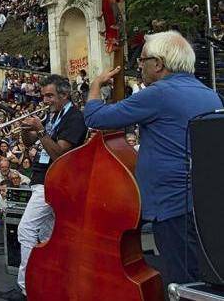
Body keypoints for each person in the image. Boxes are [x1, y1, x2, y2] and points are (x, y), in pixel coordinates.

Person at [84, 30, 224, 285]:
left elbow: (96, 118)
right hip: (206, 204)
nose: (140, 65)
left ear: (158, 64)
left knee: (184, 283)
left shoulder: (158, 94)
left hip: (172, 206)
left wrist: (95, 86)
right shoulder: (209, 93)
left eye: (143, 60)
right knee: (208, 281)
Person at [0, 74, 88, 301]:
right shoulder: (52, 114)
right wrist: (27, 129)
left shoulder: (74, 118)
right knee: (48, 235)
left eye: (50, 96)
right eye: (43, 95)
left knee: (25, 230)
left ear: (64, 95)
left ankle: (26, 288)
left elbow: (60, 154)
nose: (45, 100)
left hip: (53, 181)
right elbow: (28, 143)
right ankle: (55, 281)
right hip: (42, 179)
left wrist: (42, 130)